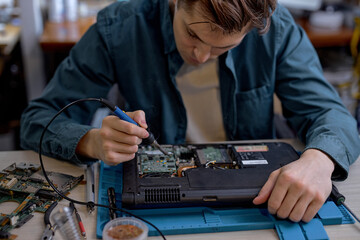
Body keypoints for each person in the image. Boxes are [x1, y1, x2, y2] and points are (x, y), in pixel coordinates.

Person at [20, 0, 360, 223]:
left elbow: (330, 113)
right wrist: (91, 141)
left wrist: (320, 160)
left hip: (253, 204)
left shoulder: (276, 30)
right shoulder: (121, 27)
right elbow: (38, 119)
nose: (200, 55)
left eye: (223, 47)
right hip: (156, 206)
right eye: (192, 34)